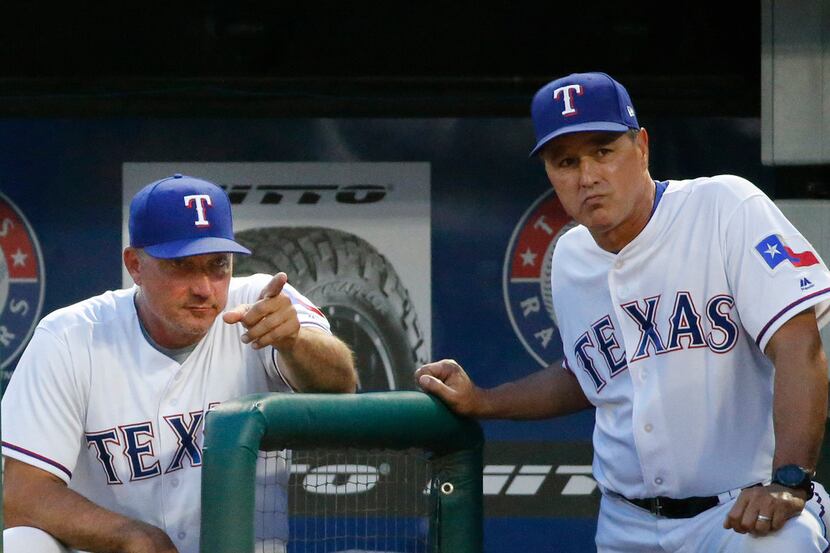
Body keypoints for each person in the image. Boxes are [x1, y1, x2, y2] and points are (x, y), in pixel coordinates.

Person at [417, 72, 830, 552]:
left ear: (642, 147)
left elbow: (799, 343)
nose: (587, 176)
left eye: (603, 150)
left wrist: (789, 477)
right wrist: (485, 402)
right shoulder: (570, 259)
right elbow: (590, 374)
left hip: (739, 515)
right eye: (566, 161)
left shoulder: (723, 207)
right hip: (626, 524)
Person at [2, 174, 356, 553]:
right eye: (182, 266)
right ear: (135, 265)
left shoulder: (260, 302)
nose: (204, 287)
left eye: (218, 264)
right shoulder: (71, 337)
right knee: (22, 542)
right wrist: (131, 536)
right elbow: (23, 494)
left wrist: (294, 342)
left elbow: (341, 384)